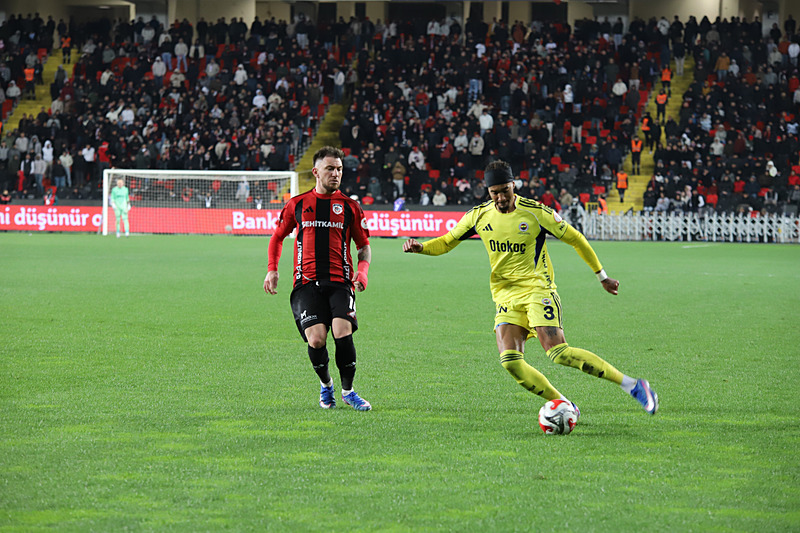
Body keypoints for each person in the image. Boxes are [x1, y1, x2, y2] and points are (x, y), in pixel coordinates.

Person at [402, 160, 658, 421]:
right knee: (511, 361)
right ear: (487, 191)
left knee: (558, 353)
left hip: (538, 289)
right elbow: (446, 242)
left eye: (505, 190)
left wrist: (602, 277)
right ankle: (563, 403)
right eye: (495, 192)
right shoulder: (478, 216)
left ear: (514, 185)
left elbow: (576, 238)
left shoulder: (536, 212)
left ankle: (633, 385)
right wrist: (421, 247)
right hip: (505, 295)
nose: (501, 197)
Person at [264, 146, 373, 411]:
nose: (336, 173)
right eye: (330, 169)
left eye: (339, 169)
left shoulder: (350, 207)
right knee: (316, 340)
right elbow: (278, 237)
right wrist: (272, 268)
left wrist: (363, 272)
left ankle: (348, 391)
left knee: (342, 332)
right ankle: (327, 386)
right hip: (306, 283)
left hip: (340, 282)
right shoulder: (298, 204)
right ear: (316, 172)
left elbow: (364, 246)